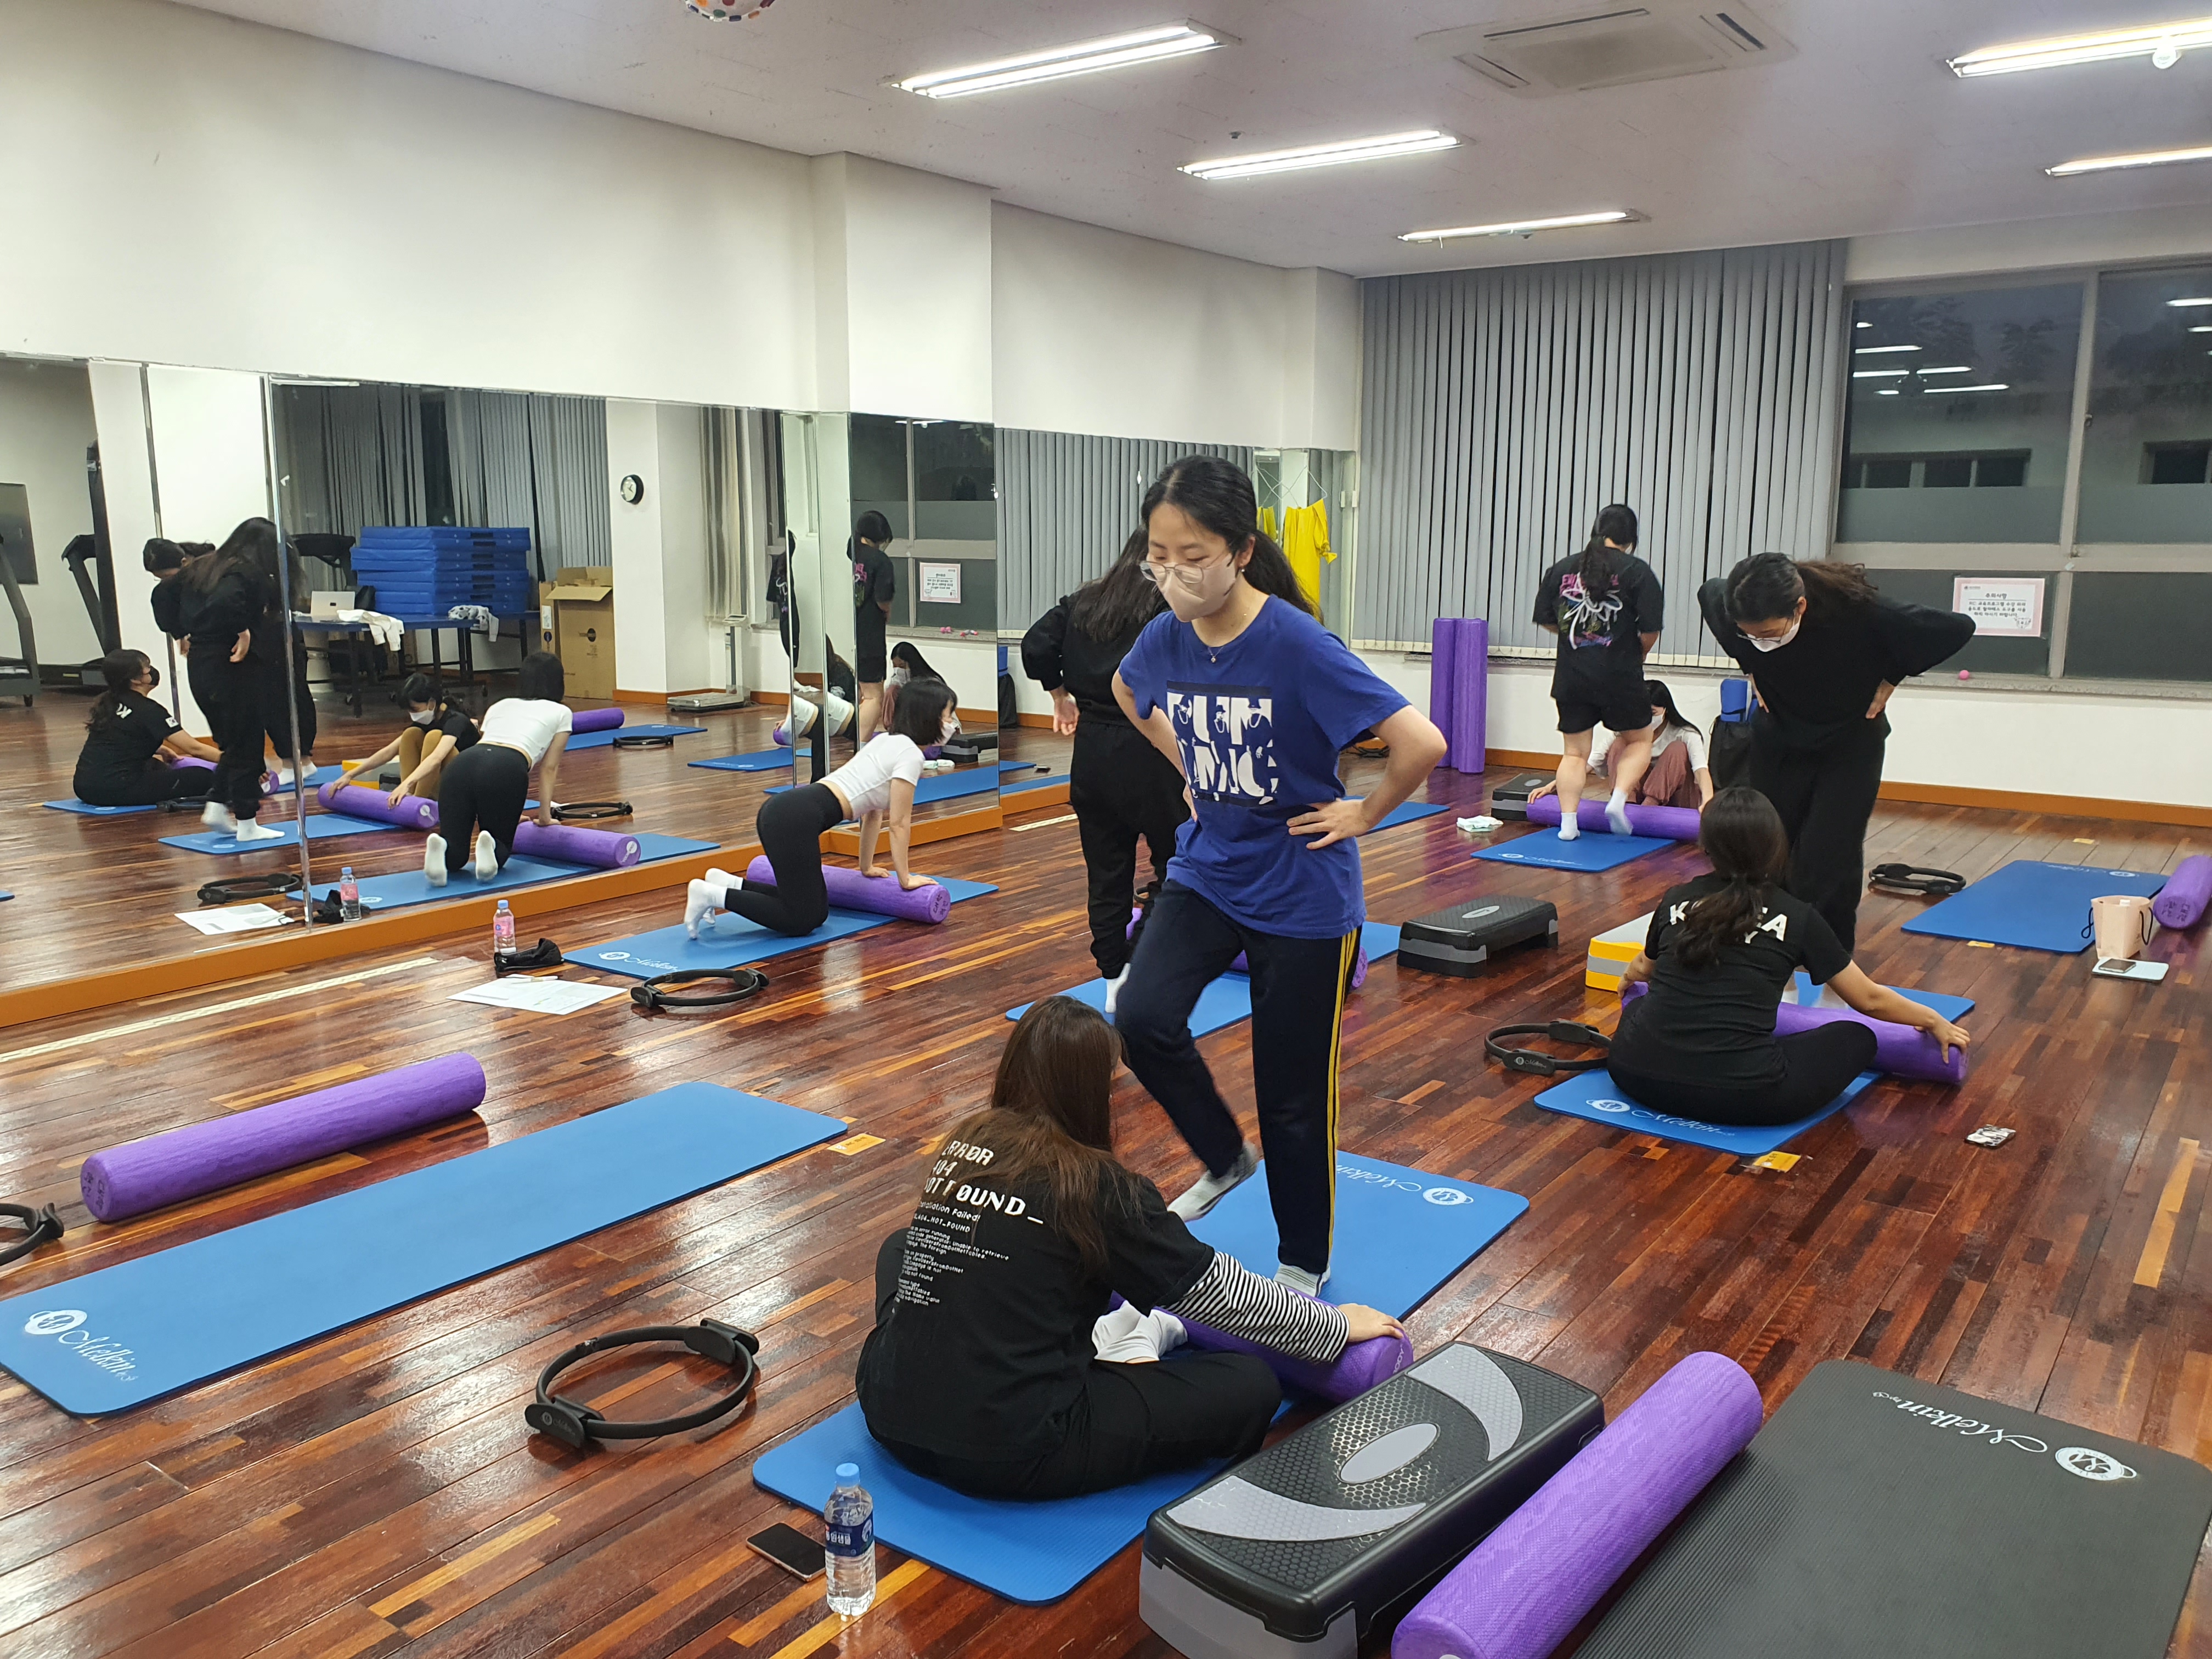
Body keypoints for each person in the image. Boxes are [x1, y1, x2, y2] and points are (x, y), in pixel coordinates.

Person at [1111, 456, 1448, 1294]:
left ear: (1242, 552)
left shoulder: (1297, 644)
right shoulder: (1166, 638)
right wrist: (1189, 766)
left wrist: (1365, 814)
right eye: (1159, 556)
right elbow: (1126, 692)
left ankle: (1302, 1266)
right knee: (1141, 1016)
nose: (1173, 574)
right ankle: (1225, 1157)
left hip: (1304, 897)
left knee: (1291, 1098)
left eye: (1193, 556)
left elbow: (1422, 744)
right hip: (1209, 869)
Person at [856, 996, 1403, 1500]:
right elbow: (1218, 1293)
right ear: (1092, 1091)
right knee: (1250, 1386)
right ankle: (1141, 1336)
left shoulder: (967, 1140)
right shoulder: (1096, 1185)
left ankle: (1104, 1337)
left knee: (902, 1247)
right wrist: (1334, 1327)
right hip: (1012, 1450)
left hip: (887, 1409)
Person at [1614, 788, 1970, 1125]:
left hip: (1636, 1074)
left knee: (1642, 1009)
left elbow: (1645, 967)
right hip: (1744, 1098)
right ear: (1774, 846)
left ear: (1705, 844)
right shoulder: (1797, 916)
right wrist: (1932, 1019)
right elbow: (1868, 999)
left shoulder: (1675, 899)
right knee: (1857, 1037)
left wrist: (1628, 979)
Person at [1699, 553, 1973, 953]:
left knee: (1829, 857)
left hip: (1849, 747)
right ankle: (1771, 945)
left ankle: (1831, 956)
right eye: (1751, 636)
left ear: (1800, 607)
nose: (1763, 644)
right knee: (1768, 847)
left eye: (1770, 634)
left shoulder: (1861, 613)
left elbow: (1956, 628)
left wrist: (1893, 676)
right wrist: (1748, 664)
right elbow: (1708, 592)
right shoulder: (1733, 611)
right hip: (1779, 742)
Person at [1023, 529, 1189, 1006]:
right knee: (1177, 866)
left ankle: (1114, 977)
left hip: (1093, 753)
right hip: (1153, 745)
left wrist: (1059, 695)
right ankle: (1142, 959)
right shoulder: (1167, 606)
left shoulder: (1086, 602)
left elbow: (1036, 644)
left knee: (1107, 875)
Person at [685, 676, 958, 938]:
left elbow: (874, 814)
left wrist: (866, 867)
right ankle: (712, 895)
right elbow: (899, 824)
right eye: (948, 716)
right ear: (928, 718)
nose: (953, 724)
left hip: (785, 812)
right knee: (805, 917)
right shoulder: (910, 756)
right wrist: (905, 879)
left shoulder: (886, 741)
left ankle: (727, 884)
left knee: (800, 901)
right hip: (795, 820)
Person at [1532, 504, 1663, 839]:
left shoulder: (1562, 568)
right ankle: (1617, 800)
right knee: (1639, 740)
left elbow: (1547, 619)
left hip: (1572, 676)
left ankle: (1568, 825)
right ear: (1631, 539)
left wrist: (1578, 635)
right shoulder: (1638, 571)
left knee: (1574, 754)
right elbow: (1650, 630)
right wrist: (1637, 655)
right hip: (1621, 675)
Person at [177, 519, 281, 841]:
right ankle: (247, 822)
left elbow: (163, 595)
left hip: (202, 664)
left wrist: (180, 631)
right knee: (247, 742)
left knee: (235, 743)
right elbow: (225, 602)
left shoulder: (207, 567)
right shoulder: (244, 571)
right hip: (230, 664)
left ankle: (217, 804)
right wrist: (242, 630)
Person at [426, 651, 568, 885]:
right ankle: (490, 845)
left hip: (462, 765)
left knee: (456, 857)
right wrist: (544, 817)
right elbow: (549, 769)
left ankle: (441, 847)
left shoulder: (500, 705)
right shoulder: (562, 712)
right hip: (507, 767)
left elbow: (484, 754)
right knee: (499, 851)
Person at [71, 648, 222, 808]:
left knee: (155, 766)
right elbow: (195, 749)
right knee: (202, 776)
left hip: (84, 787)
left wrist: (161, 750)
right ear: (135, 679)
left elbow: (118, 739)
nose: (151, 670)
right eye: (147, 667)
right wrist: (235, 761)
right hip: (114, 789)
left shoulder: (109, 701)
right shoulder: (149, 710)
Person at [1533, 679, 1712, 812]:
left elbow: (1701, 770)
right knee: (1620, 744)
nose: (1648, 719)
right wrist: (1552, 786)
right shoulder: (1628, 732)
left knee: (1677, 749)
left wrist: (1708, 800)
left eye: (1653, 713)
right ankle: (1626, 802)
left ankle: (1649, 805)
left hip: (1675, 800)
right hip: (1636, 799)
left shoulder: (1685, 734)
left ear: (1665, 710)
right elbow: (1589, 762)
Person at [334, 674, 480, 806]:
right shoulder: (427, 720)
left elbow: (436, 758)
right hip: (442, 785)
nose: (412, 715)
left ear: (431, 703)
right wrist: (350, 775)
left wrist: (408, 783)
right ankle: (408, 796)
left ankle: (417, 800)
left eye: (415, 710)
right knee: (410, 734)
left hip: (467, 786)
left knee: (434, 736)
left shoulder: (456, 720)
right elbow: (389, 751)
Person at [850, 511, 896, 744]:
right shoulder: (880, 560)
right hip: (870, 633)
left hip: (848, 629)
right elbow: (882, 599)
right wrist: (887, 610)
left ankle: (855, 741)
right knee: (873, 696)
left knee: (861, 692)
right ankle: (859, 746)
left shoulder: (851, 553)